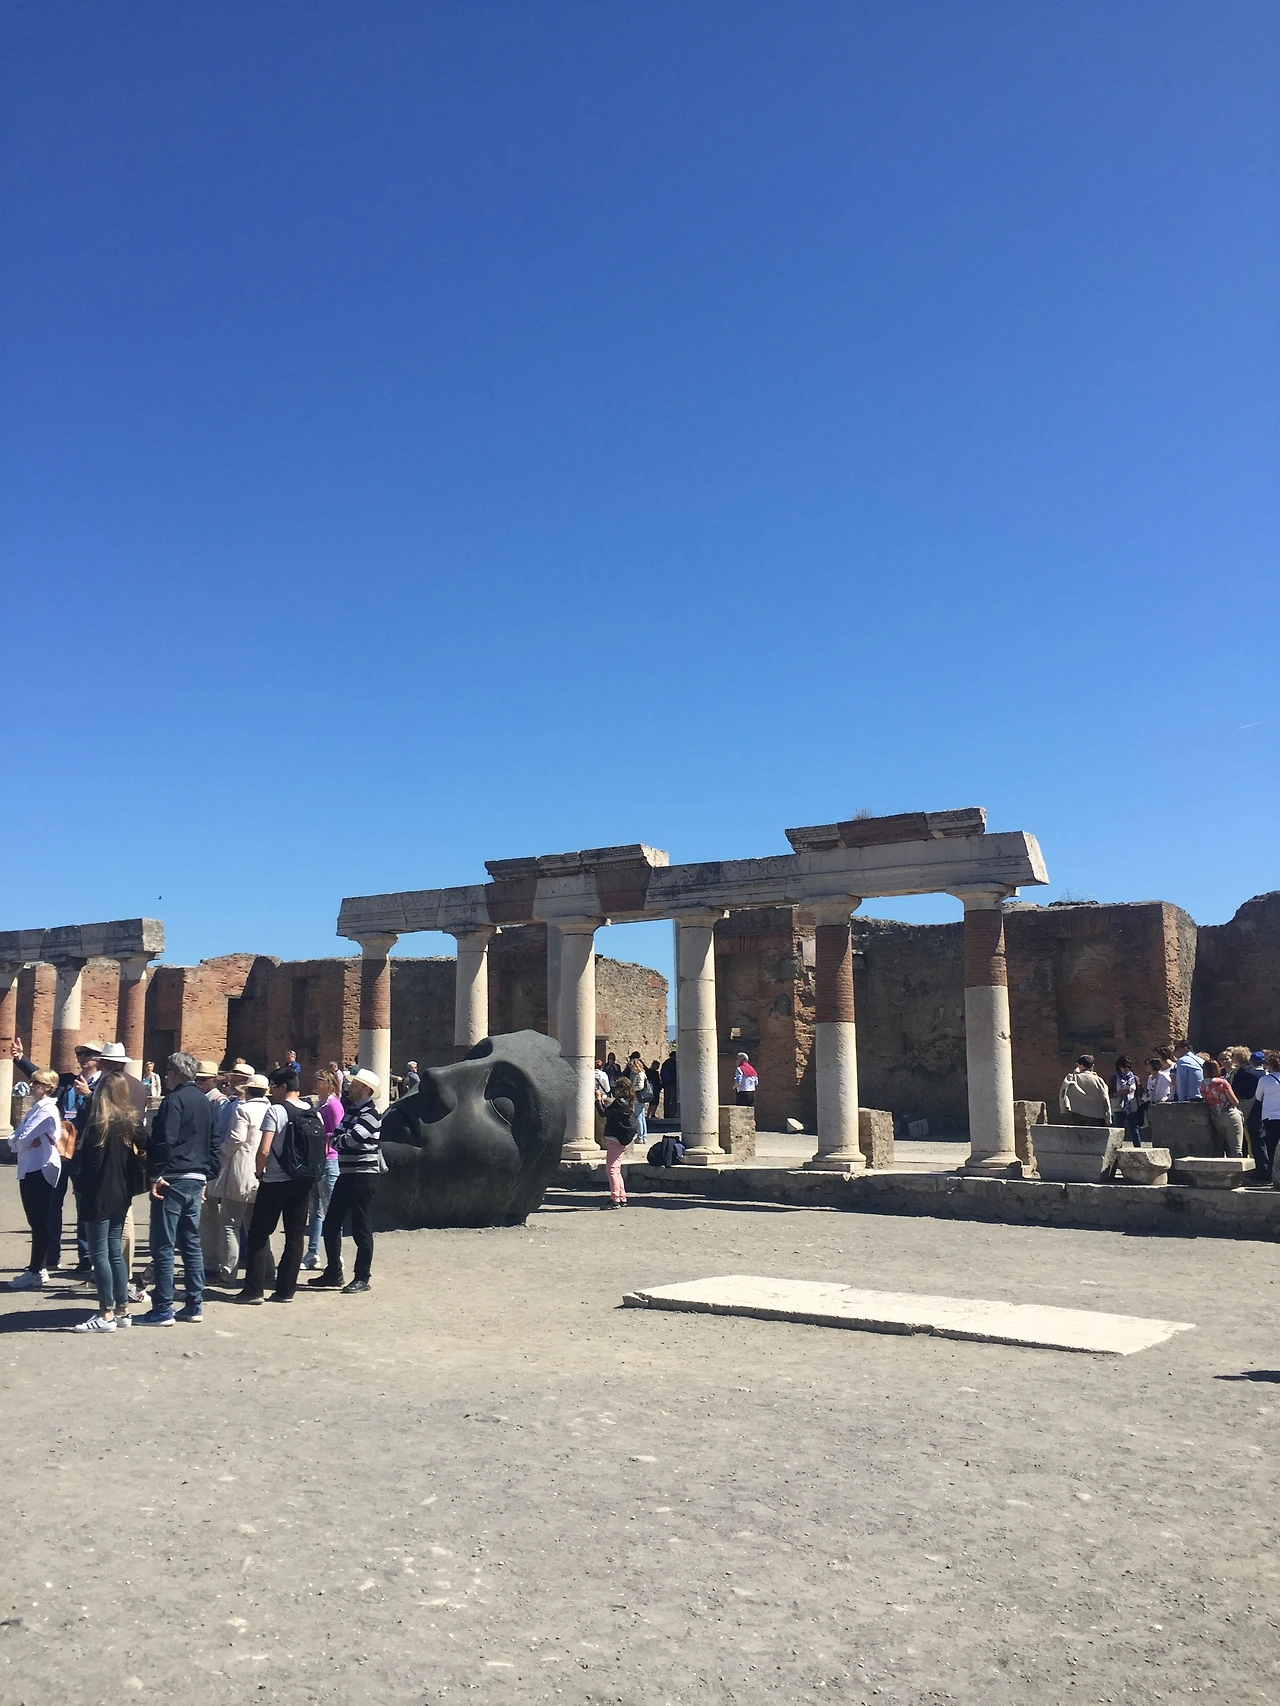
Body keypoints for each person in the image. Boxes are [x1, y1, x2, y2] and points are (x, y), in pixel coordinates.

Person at [139, 1051, 216, 1326]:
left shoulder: (173, 1100)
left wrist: (155, 1173)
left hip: (172, 1177)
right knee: (190, 1242)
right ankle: (194, 1304)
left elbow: (165, 1140)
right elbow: (214, 1141)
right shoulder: (205, 1101)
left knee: (163, 1244)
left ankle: (163, 1307)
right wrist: (207, 1175)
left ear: (173, 1073)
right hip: (196, 1176)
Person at [236, 1069, 323, 1305]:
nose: (271, 1092)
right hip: (302, 1180)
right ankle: (286, 1290)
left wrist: (259, 1171)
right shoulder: (313, 1112)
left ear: (284, 1087)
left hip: (275, 1180)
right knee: (295, 1236)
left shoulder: (276, 1111)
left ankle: (253, 1290)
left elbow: (264, 1149)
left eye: (274, 1087)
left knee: (259, 1233)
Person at [72, 1071, 145, 1333]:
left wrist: (80, 1187)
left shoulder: (98, 1124)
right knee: (114, 1251)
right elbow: (146, 1145)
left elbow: (91, 1166)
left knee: (99, 1253)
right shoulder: (129, 1122)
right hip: (121, 1192)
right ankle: (122, 1309)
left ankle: (106, 1313)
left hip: (98, 1193)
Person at [310, 1067, 383, 1294]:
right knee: (331, 1224)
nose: (349, 1088)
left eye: (354, 1085)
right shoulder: (352, 1112)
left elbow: (346, 1140)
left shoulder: (371, 1114)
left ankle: (362, 1277)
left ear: (366, 1089)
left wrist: (338, 1139)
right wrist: (338, 1139)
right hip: (347, 1175)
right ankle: (334, 1272)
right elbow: (337, 1136)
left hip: (364, 1177)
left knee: (361, 1227)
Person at [205, 1073, 271, 1285]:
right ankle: (267, 1269)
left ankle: (228, 1273)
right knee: (255, 1226)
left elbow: (236, 1138)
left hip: (242, 1171)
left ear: (248, 1090)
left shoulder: (244, 1109)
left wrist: (221, 1151)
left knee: (230, 1223)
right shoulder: (270, 1109)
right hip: (263, 1171)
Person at [7, 1068, 62, 1290]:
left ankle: (36, 1270)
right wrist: (21, 1141)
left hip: (41, 1168)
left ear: (48, 1087)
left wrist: (22, 1142)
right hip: (29, 1167)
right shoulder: (35, 1109)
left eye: (36, 1083)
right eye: (31, 1082)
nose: (31, 1086)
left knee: (39, 1221)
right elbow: (14, 1138)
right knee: (35, 1220)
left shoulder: (47, 1110)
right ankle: (39, 1267)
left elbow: (22, 1139)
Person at [302, 1068, 344, 1270]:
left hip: (329, 1160)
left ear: (327, 1082)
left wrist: (317, 1135)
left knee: (330, 1210)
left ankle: (336, 1255)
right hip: (318, 1160)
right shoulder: (320, 1104)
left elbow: (336, 1133)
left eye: (318, 1080)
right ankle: (313, 1252)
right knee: (315, 1210)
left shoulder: (334, 1105)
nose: (314, 1083)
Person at [599, 1076, 638, 1208]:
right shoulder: (627, 1101)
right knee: (616, 1169)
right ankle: (621, 1196)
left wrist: (598, 1100)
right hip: (621, 1138)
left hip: (615, 1138)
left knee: (611, 1169)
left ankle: (615, 1198)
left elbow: (603, 1113)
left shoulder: (619, 1102)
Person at [1200, 1059, 1245, 1159]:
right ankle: (1237, 1168)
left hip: (1216, 1117)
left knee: (1227, 1146)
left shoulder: (1202, 1084)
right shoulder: (1222, 1082)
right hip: (1230, 1115)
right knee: (1236, 1148)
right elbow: (1235, 1101)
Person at [1058, 1055, 1112, 1126]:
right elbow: (1105, 1096)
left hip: (1078, 1113)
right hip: (1096, 1114)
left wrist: (1064, 1108)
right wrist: (1108, 1115)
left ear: (1082, 1066)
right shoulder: (1098, 1080)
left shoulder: (1073, 1077)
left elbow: (1064, 1092)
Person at [1229, 1049, 1264, 1157]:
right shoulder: (1267, 1074)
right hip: (1263, 1109)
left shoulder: (1246, 1074)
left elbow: (1238, 1090)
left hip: (1248, 1107)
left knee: (1248, 1135)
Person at [1253, 1051, 1280, 1185]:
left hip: (1271, 1117)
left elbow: (1258, 1097)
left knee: (1271, 1147)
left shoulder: (1265, 1080)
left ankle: (1272, 1175)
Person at [1108, 1056, 1141, 1145]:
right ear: (1119, 1067)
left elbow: (1139, 1093)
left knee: (1135, 1129)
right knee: (1118, 1129)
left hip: (1132, 1106)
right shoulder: (1114, 1079)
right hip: (1118, 1106)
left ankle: (1138, 1148)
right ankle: (1117, 1148)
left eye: (1128, 1067)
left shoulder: (1134, 1078)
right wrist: (1120, 1093)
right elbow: (1109, 1094)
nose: (1126, 1069)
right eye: (1124, 1066)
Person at [626, 1052, 652, 1142]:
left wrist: (632, 1089)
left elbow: (640, 1086)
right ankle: (643, 1136)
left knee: (638, 1117)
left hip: (639, 1098)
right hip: (639, 1098)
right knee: (641, 1117)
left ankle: (640, 1136)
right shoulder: (638, 1074)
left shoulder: (640, 1074)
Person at [660, 1050, 678, 1120]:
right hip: (673, 1084)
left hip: (666, 1084)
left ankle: (666, 1114)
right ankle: (673, 1113)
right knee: (673, 1099)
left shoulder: (665, 1063)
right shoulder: (674, 1063)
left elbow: (662, 1074)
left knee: (667, 1099)